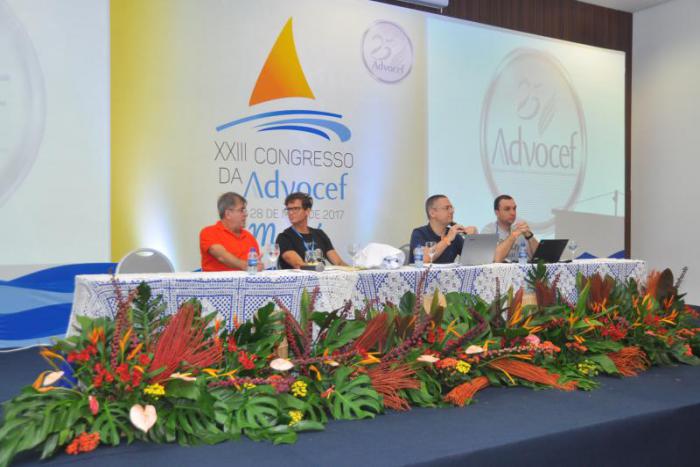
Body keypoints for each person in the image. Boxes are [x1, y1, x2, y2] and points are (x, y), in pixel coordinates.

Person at [276, 192, 347, 269]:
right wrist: (320, 271)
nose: (291, 212)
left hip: (321, 275)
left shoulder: (320, 234)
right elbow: (298, 264)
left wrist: (354, 271)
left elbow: (339, 263)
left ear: (307, 211)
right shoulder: (284, 237)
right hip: (303, 276)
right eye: (289, 209)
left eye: (296, 209)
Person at [199, 192, 263, 272]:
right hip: (218, 280)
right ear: (228, 214)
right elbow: (222, 256)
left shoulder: (249, 237)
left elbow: (255, 264)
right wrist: (246, 266)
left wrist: (258, 266)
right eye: (241, 210)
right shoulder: (208, 232)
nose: (245, 214)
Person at [409, 195, 478, 264]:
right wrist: (447, 239)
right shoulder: (419, 233)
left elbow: (474, 259)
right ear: (432, 213)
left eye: (451, 208)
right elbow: (424, 259)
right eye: (447, 208)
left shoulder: (454, 236)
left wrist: (473, 238)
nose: (452, 211)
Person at [483, 194, 540, 263]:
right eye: (507, 209)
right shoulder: (489, 230)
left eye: (514, 208)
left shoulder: (520, 230)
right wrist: (513, 236)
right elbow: (495, 259)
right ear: (497, 213)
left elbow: (540, 258)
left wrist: (530, 236)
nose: (513, 213)